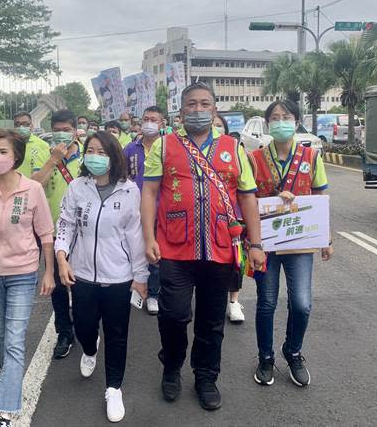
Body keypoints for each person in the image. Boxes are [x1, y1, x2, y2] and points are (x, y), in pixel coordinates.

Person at [141, 82, 266, 411]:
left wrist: (256, 243)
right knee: (173, 315)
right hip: (174, 247)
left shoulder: (232, 147)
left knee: (211, 320)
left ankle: (206, 376)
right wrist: (148, 237)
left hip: (220, 248)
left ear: (214, 109)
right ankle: (171, 366)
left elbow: (247, 196)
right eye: (192, 104)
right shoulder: (165, 146)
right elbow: (150, 193)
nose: (198, 110)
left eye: (204, 104)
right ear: (181, 111)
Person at [0, 129, 55, 427]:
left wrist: (50, 272)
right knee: (1, 337)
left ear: (16, 156)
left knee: (14, 341)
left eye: (3, 151)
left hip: (23, 273)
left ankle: (5, 410)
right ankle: (11, 385)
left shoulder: (32, 189)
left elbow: (45, 234)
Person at [56, 131, 149, 423]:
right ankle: (88, 347)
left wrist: (141, 276)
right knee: (83, 327)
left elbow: (135, 237)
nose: (94, 156)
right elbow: (65, 225)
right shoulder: (77, 188)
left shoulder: (129, 190)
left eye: (100, 151)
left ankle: (113, 388)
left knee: (117, 334)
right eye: (90, 150)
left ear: (113, 156)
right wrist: (61, 258)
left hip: (118, 278)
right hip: (81, 275)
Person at [249, 99, 333, 388]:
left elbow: (321, 195)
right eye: (274, 117)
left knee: (302, 304)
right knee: (266, 304)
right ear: (268, 124)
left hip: (299, 243)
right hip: (267, 244)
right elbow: (247, 200)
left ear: (296, 121)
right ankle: (265, 357)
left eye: (286, 116)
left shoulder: (310, 156)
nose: (280, 121)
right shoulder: (255, 158)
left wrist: (326, 238)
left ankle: (293, 350)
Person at [31, 110, 81, 359]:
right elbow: (33, 184)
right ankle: (64, 331)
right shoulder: (43, 154)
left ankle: (85, 325)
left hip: (83, 231)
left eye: (66, 129)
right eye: (57, 129)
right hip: (50, 231)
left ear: (74, 130)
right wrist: (53, 160)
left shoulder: (89, 155)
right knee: (58, 285)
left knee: (82, 282)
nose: (62, 133)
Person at [124, 105, 164, 315]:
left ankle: (154, 294)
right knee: (133, 250)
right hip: (133, 210)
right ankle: (134, 287)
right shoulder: (131, 149)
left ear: (161, 123)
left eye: (153, 119)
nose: (149, 123)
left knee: (154, 253)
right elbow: (122, 177)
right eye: (146, 118)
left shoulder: (167, 147)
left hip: (161, 209)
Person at [212, 115, 245, 324]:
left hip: (233, 221)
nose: (215, 128)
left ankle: (234, 301)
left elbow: (247, 191)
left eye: (219, 126)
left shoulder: (235, 152)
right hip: (207, 223)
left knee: (236, 262)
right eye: (212, 125)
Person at [13, 111, 51, 178]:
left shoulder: (42, 145)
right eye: (17, 124)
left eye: (25, 124)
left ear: (32, 126)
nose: (21, 127)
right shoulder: (10, 144)